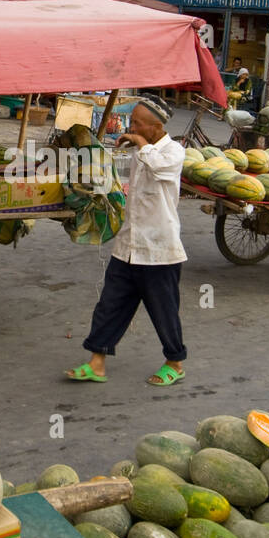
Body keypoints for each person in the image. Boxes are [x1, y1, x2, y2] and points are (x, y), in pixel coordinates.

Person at [65, 96, 187, 389]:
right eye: (132, 123)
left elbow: (158, 167)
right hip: (128, 246)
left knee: (164, 310)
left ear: (156, 128)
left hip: (159, 249)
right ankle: (97, 361)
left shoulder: (174, 152)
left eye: (137, 124)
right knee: (110, 304)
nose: (131, 128)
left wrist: (139, 143)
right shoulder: (140, 151)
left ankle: (175, 362)